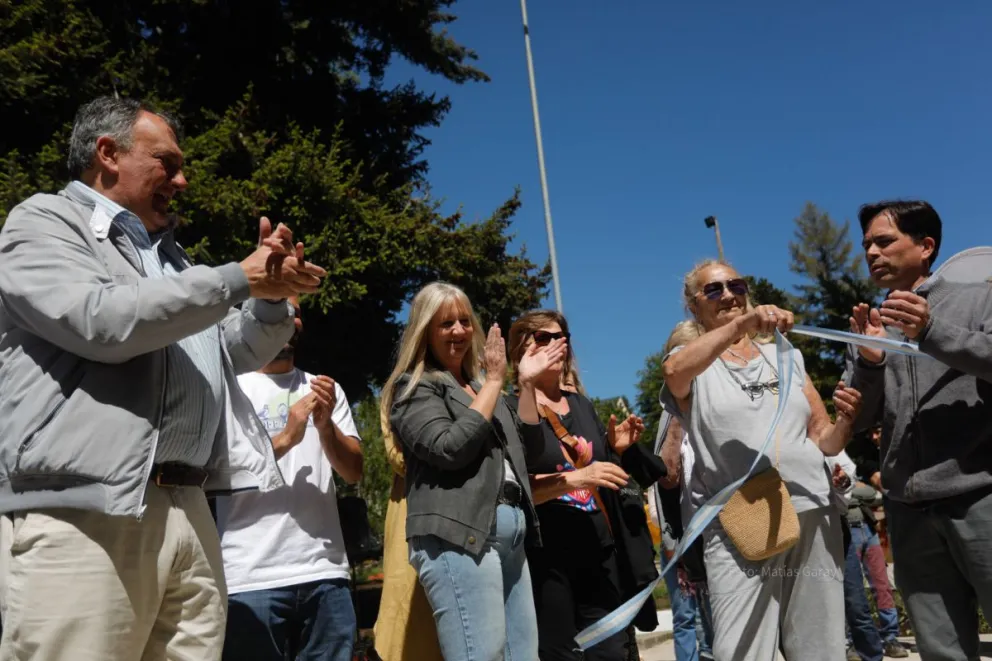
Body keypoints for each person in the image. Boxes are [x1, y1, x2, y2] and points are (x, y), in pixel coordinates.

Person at [0, 96, 326, 661]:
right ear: (107, 154)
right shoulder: (43, 222)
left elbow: (233, 349)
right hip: (85, 513)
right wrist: (234, 279)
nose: (183, 179)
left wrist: (272, 299)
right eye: (167, 163)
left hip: (190, 508)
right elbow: (102, 321)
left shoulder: (174, 262)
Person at [661, 259, 863, 661]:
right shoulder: (691, 360)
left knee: (819, 643)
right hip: (743, 519)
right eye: (713, 290)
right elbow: (674, 371)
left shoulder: (786, 355)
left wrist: (846, 422)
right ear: (693, 306)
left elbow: (821, 436)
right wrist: (741, 326)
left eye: (736, 285)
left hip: (811, 506)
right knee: (741, 649)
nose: (729, 295)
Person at [380, 282, 567, 661]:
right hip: (459, 535)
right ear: (425, 331)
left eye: (465, 321)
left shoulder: (482, 387)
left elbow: (531, 451)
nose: (459, 331)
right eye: (446, 323)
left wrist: (526, 385)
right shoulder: (413, 388)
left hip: (511, 537)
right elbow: (450, 447)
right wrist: (496, 382)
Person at [845, 199, 992, 660]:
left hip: (981, 496)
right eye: (867, 243)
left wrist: (931, 330)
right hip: (908, 511)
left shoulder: (978, 297)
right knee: (940, 649)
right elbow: (863, 420)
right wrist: (868, 365)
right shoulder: (873, 325)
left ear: (925, 246)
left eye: (884, 241)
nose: (871, 252)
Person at [506, 309, 666, 661]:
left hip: (600, 551)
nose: (556, 344)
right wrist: (578, 477)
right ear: (520, 348)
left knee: (612, 652)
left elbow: (601, 473)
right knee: (562, 655)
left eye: (561, 336)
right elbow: (520, 486)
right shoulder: (507, 408)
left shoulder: (581, 405)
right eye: (543, 338)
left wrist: (617, 449)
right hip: (548, 561)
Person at [215, 297, 363, 661]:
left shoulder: (326, 388)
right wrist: (284, 439)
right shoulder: (229, 389)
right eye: (279, 312)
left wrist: (326, 429)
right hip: (251, 576)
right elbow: (213, 473)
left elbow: (353, 471)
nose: (288, 320)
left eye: (295, 314)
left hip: (325, 573)